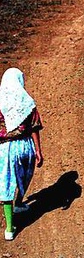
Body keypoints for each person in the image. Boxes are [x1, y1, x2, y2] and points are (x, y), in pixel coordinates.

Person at [0, 68, 44, 241]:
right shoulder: (28, 102)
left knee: (5, 184)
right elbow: (35, 127)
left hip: (4, 149)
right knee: (24, 176)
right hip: (25, 147)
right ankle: (19, 202)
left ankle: (10, 228)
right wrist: (38, 150)